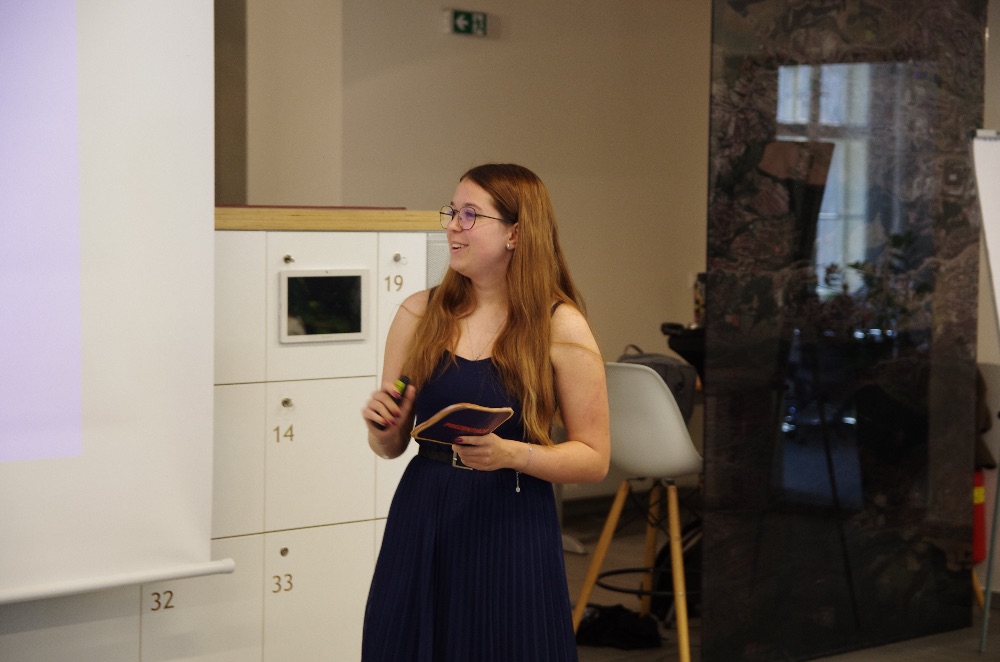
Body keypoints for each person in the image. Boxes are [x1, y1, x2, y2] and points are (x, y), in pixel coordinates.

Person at [361, 163, 611, 661]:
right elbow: (389, 447)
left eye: (470, 215)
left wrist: (513, 454)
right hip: (425, 512)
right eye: (452, 212)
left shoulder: (560, 325)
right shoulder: (418, 314)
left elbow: (594, 458)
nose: (453, 226)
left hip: (510, 519)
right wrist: (382, 427)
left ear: (515, 233)